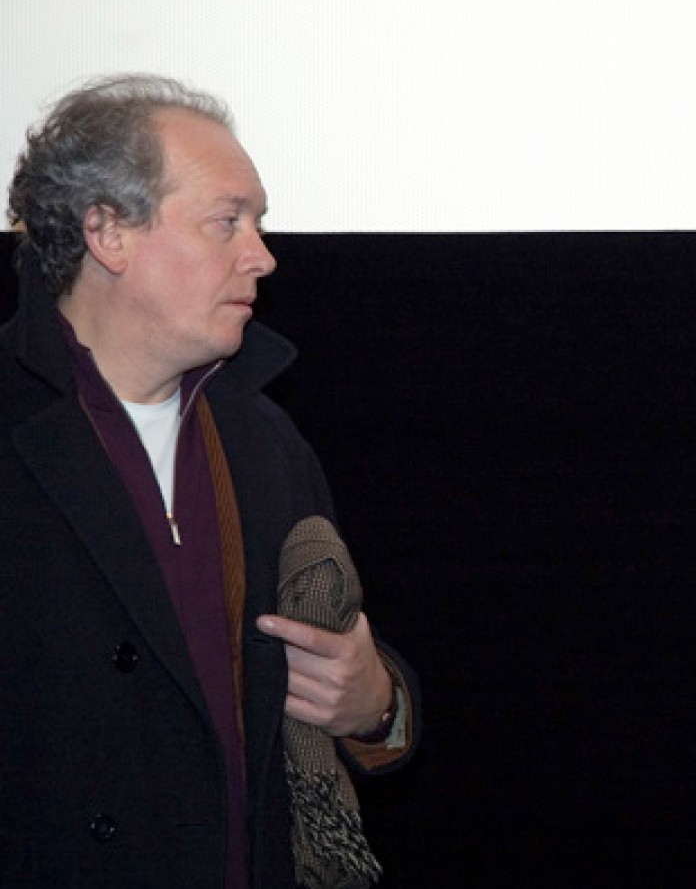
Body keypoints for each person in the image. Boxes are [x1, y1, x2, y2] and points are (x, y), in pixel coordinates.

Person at [0, 74, 419, 887]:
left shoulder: (264, 439)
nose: (262, 255)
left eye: (257, 222)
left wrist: (377, 703)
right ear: (109, 232)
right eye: (227, 221)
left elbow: (343, 674)